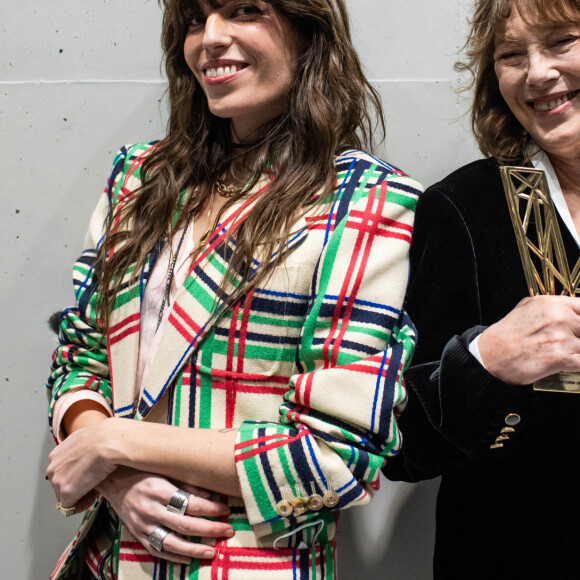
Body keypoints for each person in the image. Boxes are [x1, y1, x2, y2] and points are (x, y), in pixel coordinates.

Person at [45, 1, 422, 578]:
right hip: (108, 558)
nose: (211, 39)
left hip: (244, 563)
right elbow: (81, 355)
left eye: (244, 9)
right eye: (195, 19)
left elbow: (337, 459)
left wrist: (117, 446)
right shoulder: (141, 178)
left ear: (308, 30)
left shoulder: (366, 202)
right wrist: (118, 477)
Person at [383, 0, 580, 578]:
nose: (537, 73)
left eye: (562, 41)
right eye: (511, 55)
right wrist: (482, 363)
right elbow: (401, 448)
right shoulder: (463, 210)